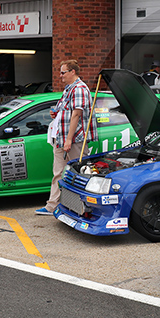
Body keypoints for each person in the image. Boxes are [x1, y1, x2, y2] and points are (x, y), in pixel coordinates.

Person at [36, 60, 98, 215]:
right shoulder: (68, 89)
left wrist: (69, 139)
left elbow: (76, 114)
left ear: (73, 72)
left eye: (63, 72)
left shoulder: (79, 89)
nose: (60, 75)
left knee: (80, 172)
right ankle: (52, 206)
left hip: (74, 139)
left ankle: (84, 207)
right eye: (60, 72)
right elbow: (64, 110)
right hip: (61, 137)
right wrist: (55, 112)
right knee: (58, 172)